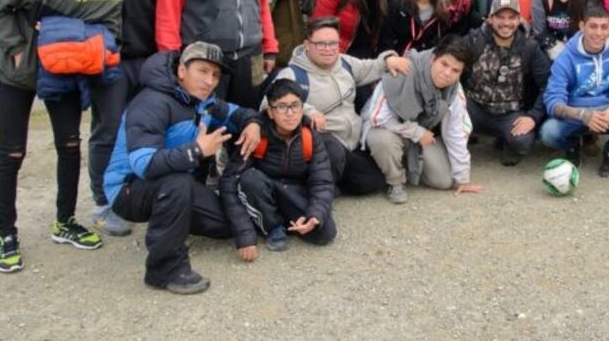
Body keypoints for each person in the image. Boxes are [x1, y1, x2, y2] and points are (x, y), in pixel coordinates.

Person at [29, 0, 167, 237]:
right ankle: (104, 203)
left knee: (143, 127)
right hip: (107, 54)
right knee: (107, 129)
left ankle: (136, 191)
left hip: (147, 53)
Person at [0, 0, 125, 273]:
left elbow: (110, 37)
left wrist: (88, 49)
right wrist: (18, 48)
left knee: (69, 146)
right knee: (12, 152)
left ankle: (64, 221)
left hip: (65, 75)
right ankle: (6, 234)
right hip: (18, 75)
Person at [103, 42, 262, 294]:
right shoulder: (151, 103)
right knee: (176, 183)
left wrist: (252, 123)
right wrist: (197, 151)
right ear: (181, 70)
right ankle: (164, 270)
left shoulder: (204, 101)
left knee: (226, 225)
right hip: (128, 190)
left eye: (215, 75)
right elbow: (145, 165)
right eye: (203, 71)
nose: (209, 81)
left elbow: (237, 113)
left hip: (176, 185)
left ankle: (169, 222)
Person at [282, 17, 410, 194]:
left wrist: (388, 59)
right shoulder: (292, 74)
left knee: (372, 181)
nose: (328, 49)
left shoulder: (345, 63)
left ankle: (333, 183)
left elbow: (372, 67)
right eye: (321, 44)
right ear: (307, 44)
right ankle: (316, 189)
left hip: (350, 144)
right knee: (330, 149)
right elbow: (271, 105)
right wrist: (308, 112)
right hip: (321, 145)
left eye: (333, 43)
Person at [361, 35, 482, 204]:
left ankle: (406, 165)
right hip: (387, 128)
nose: (447, 73)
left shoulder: (454, 89)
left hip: (419, 136)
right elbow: (377, 118)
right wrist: (416, 132)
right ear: (433, 58)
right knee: (381, 139)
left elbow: (456, 132)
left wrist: (462, 178)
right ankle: (395, 181)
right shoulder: (404, 69)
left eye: (456, 70)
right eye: (444, 64)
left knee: (444, 181)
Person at [219, 79, 336, 254]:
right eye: (281, 107)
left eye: (295, 105)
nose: (290, 113)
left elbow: (322, 181)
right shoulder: (257, 136)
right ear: (270, 112)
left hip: (292, 192)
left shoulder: (310, 136)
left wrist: (315, 214)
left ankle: (286, 221)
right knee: (250, 179)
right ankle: (272, 226)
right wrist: (245, 237)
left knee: (324, 233)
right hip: (262, 193)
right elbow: (229, 182)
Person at [541, 5, 609, 177]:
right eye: (593, 26)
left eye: (604, 27)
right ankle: (572, 146)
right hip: (576, 109)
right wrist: (583, 115)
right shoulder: (565, 56)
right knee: (548, 133)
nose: (598, 33)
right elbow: (553, 101)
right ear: (582, 26)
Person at [461, 0, 551, 166]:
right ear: (490, 19)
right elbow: (450, 63)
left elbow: (548, 84)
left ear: (519, 20)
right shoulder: (473, 40)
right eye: (500, 17)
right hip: (474, 107)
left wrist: (533, 116)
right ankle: (461, 139)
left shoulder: (529, 47)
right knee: (447, 116)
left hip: (510, 112)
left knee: (522, 142)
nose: (506, 23)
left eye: (511, 17)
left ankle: (507, 141)